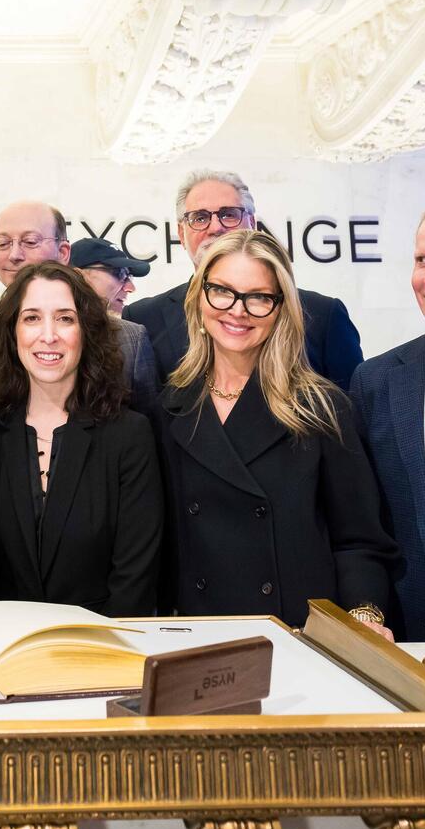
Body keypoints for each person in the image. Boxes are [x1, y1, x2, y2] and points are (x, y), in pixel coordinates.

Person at [149, 227, 395, 631]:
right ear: (199, 298)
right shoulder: (168, 408)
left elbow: (360, 541)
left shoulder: (321, 408)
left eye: (259, 297)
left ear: (281, 308)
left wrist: (364, 616)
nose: (237, 310)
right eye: (222, 291)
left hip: (300, 633)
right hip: (200, 638)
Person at [0, 262, 162, 614]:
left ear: (86, 331)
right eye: (31, 318)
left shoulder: (129, 435)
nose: (48, 335)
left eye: (65, 318)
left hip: (100, 647)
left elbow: (135, 576)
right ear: (12, 331)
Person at [124, 169, 363, 390]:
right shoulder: (143, 319)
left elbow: (351, 417)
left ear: (252, 224)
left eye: (229, 215)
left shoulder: (323, 314)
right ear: (181, 234)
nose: (215, 227)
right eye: (199, 217)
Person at [0, 201, 158, 408]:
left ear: (63, 252)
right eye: (3, 243)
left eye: (30, 242)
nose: (14, 255)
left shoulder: (128, 341)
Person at [350, 212, 425, 639]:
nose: (424, 276)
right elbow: (363, 527)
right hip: (413, 641)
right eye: (422, 260)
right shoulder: (376, 381)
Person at [69, 235, 150, 317]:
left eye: (129, 276)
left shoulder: (133, 329)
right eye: (119, 274)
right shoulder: (57, 328)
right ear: (78, 277)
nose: (131, 288)